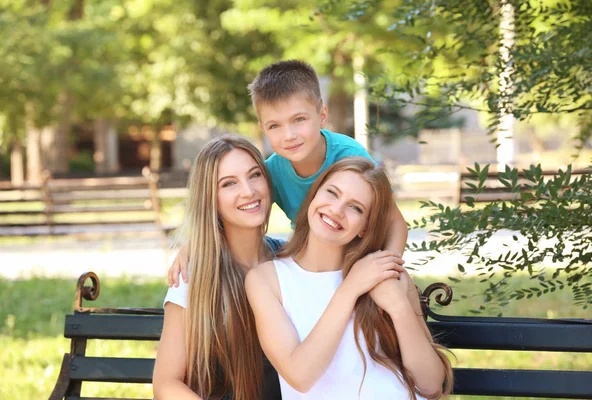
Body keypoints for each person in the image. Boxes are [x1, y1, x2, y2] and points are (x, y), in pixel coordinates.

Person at [168, 59, 408, 286]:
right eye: (275, 126)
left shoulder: (349, 156)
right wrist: (192, 246)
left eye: (299, 119)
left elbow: (395, 222)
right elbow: (235, 212)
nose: (289, 135)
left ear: (322, 115)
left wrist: (387, 269)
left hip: (361, 260)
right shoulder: (270, 173)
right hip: (313, 271)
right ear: (263, 129)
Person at [245, 157, 454, 400]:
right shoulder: (267, 280)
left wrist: (398, 308)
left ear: (366, 227)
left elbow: (431, 386)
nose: (336, 209)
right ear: (313, 196)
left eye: (355, 208)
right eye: (332, 193)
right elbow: (300, 376)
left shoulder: (383, 272)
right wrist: (350, 288)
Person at [153, 136, 285, 400]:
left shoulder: (290, 259)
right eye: (229, 183)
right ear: (210, 199)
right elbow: (166, 384)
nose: (248, 191)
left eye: (255, 175)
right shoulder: (192, 276)